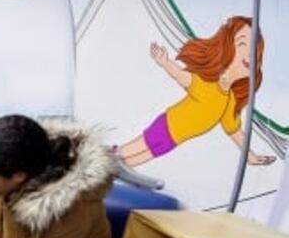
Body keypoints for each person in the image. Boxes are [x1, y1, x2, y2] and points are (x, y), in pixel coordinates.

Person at [117, 16, 274, 167]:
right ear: (227, 47)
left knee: (141, 157)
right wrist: (165, 62)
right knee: (126, 152)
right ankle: (108, 157)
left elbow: (234, 131)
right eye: (242, 44)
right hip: (165, 126)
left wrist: (250, 157)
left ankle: (115, 172)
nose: (250, 53)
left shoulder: (230, 100)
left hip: (174, 139)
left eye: (255, 48)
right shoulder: (209, 83)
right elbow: (182, 77)